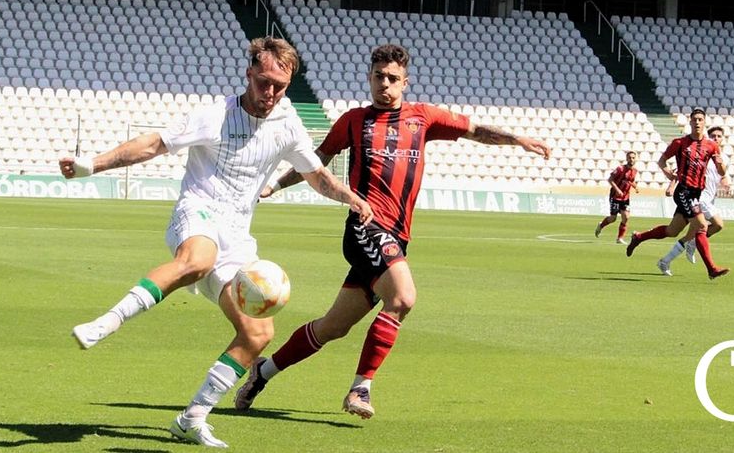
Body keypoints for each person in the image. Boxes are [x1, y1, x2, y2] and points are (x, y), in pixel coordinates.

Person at [59, 37, 374, 448]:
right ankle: (108, 322)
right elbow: (154, 143)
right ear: (249, 74)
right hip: (198, 212)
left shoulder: (288, 125)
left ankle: (192, 417)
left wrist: (349, 197)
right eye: (264, 82)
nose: (271, 93)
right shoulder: (214, 115)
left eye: (280, 86)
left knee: (258, 334)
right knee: (198, 259)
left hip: (237, 236)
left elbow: (317, 176)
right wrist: (90, 165)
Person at [233, 43, 552, 420]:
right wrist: (274, 186)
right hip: (365, 227)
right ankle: (360, 388)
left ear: (405, 82)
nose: (384, 84)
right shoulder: (353, 121)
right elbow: (316, 161)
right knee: (402, 297)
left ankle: (263, 372)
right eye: (378, 77)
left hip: (396, 238)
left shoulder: (424, 118)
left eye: (392, 78)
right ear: (369, 78)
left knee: (332, 327)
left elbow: (474, 129)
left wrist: (517, 140)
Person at [625, 108, 729, 279]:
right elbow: (662, 161)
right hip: (684, 191)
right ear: (690, 122)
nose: (697, 122)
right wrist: (669, 175)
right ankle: (711, 269)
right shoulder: (680, 143)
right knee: (702, 226)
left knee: (672, 231)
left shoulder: (711, 146)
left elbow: (722, 171)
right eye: (694, 119)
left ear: (704, 122)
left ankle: (639, 237)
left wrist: (720, 164)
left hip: (696, 193)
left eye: (700, 119)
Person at [657, 126, 730, 276]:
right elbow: (681, 171)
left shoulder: (722, 157)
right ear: (708, 137)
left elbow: (722, 173)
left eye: (719, 136)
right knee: (716, 225)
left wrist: (725, 179)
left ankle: (665, 260)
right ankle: (710, 267)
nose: (716, 138)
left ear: (723, 139)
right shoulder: (704, 152)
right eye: (713, 136)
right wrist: (671, 185)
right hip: (697, 198)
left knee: (677, 231)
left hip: (708, 199)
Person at [595, 150, 639, 244]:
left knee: (626, 217)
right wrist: (618, 190)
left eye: (633, 158)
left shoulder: (635, 171)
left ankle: (619, 238)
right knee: (613, 218)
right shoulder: (620, 169)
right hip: (615, 196)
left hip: (626, 197)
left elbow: (630, 180)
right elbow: (610, 179)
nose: (631, 159)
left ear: (635, 159)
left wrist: (635, 186)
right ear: (626, 158)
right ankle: (601, 225)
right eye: (630, 157)